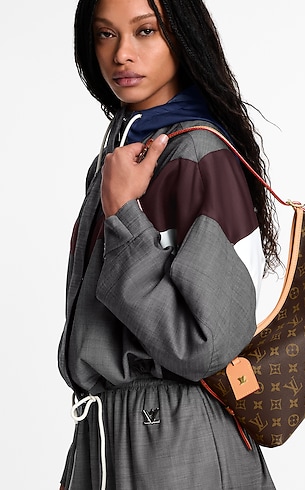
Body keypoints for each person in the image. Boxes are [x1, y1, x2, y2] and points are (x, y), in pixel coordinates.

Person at [58, 0, 280, 488]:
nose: (121, 54)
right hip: (106, 435)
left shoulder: (198, 154)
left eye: (145, 31)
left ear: (182, 36)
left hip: (175, 442)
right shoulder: (121, 157)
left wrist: (124, 215)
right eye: (105, 34)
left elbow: (207, 344)